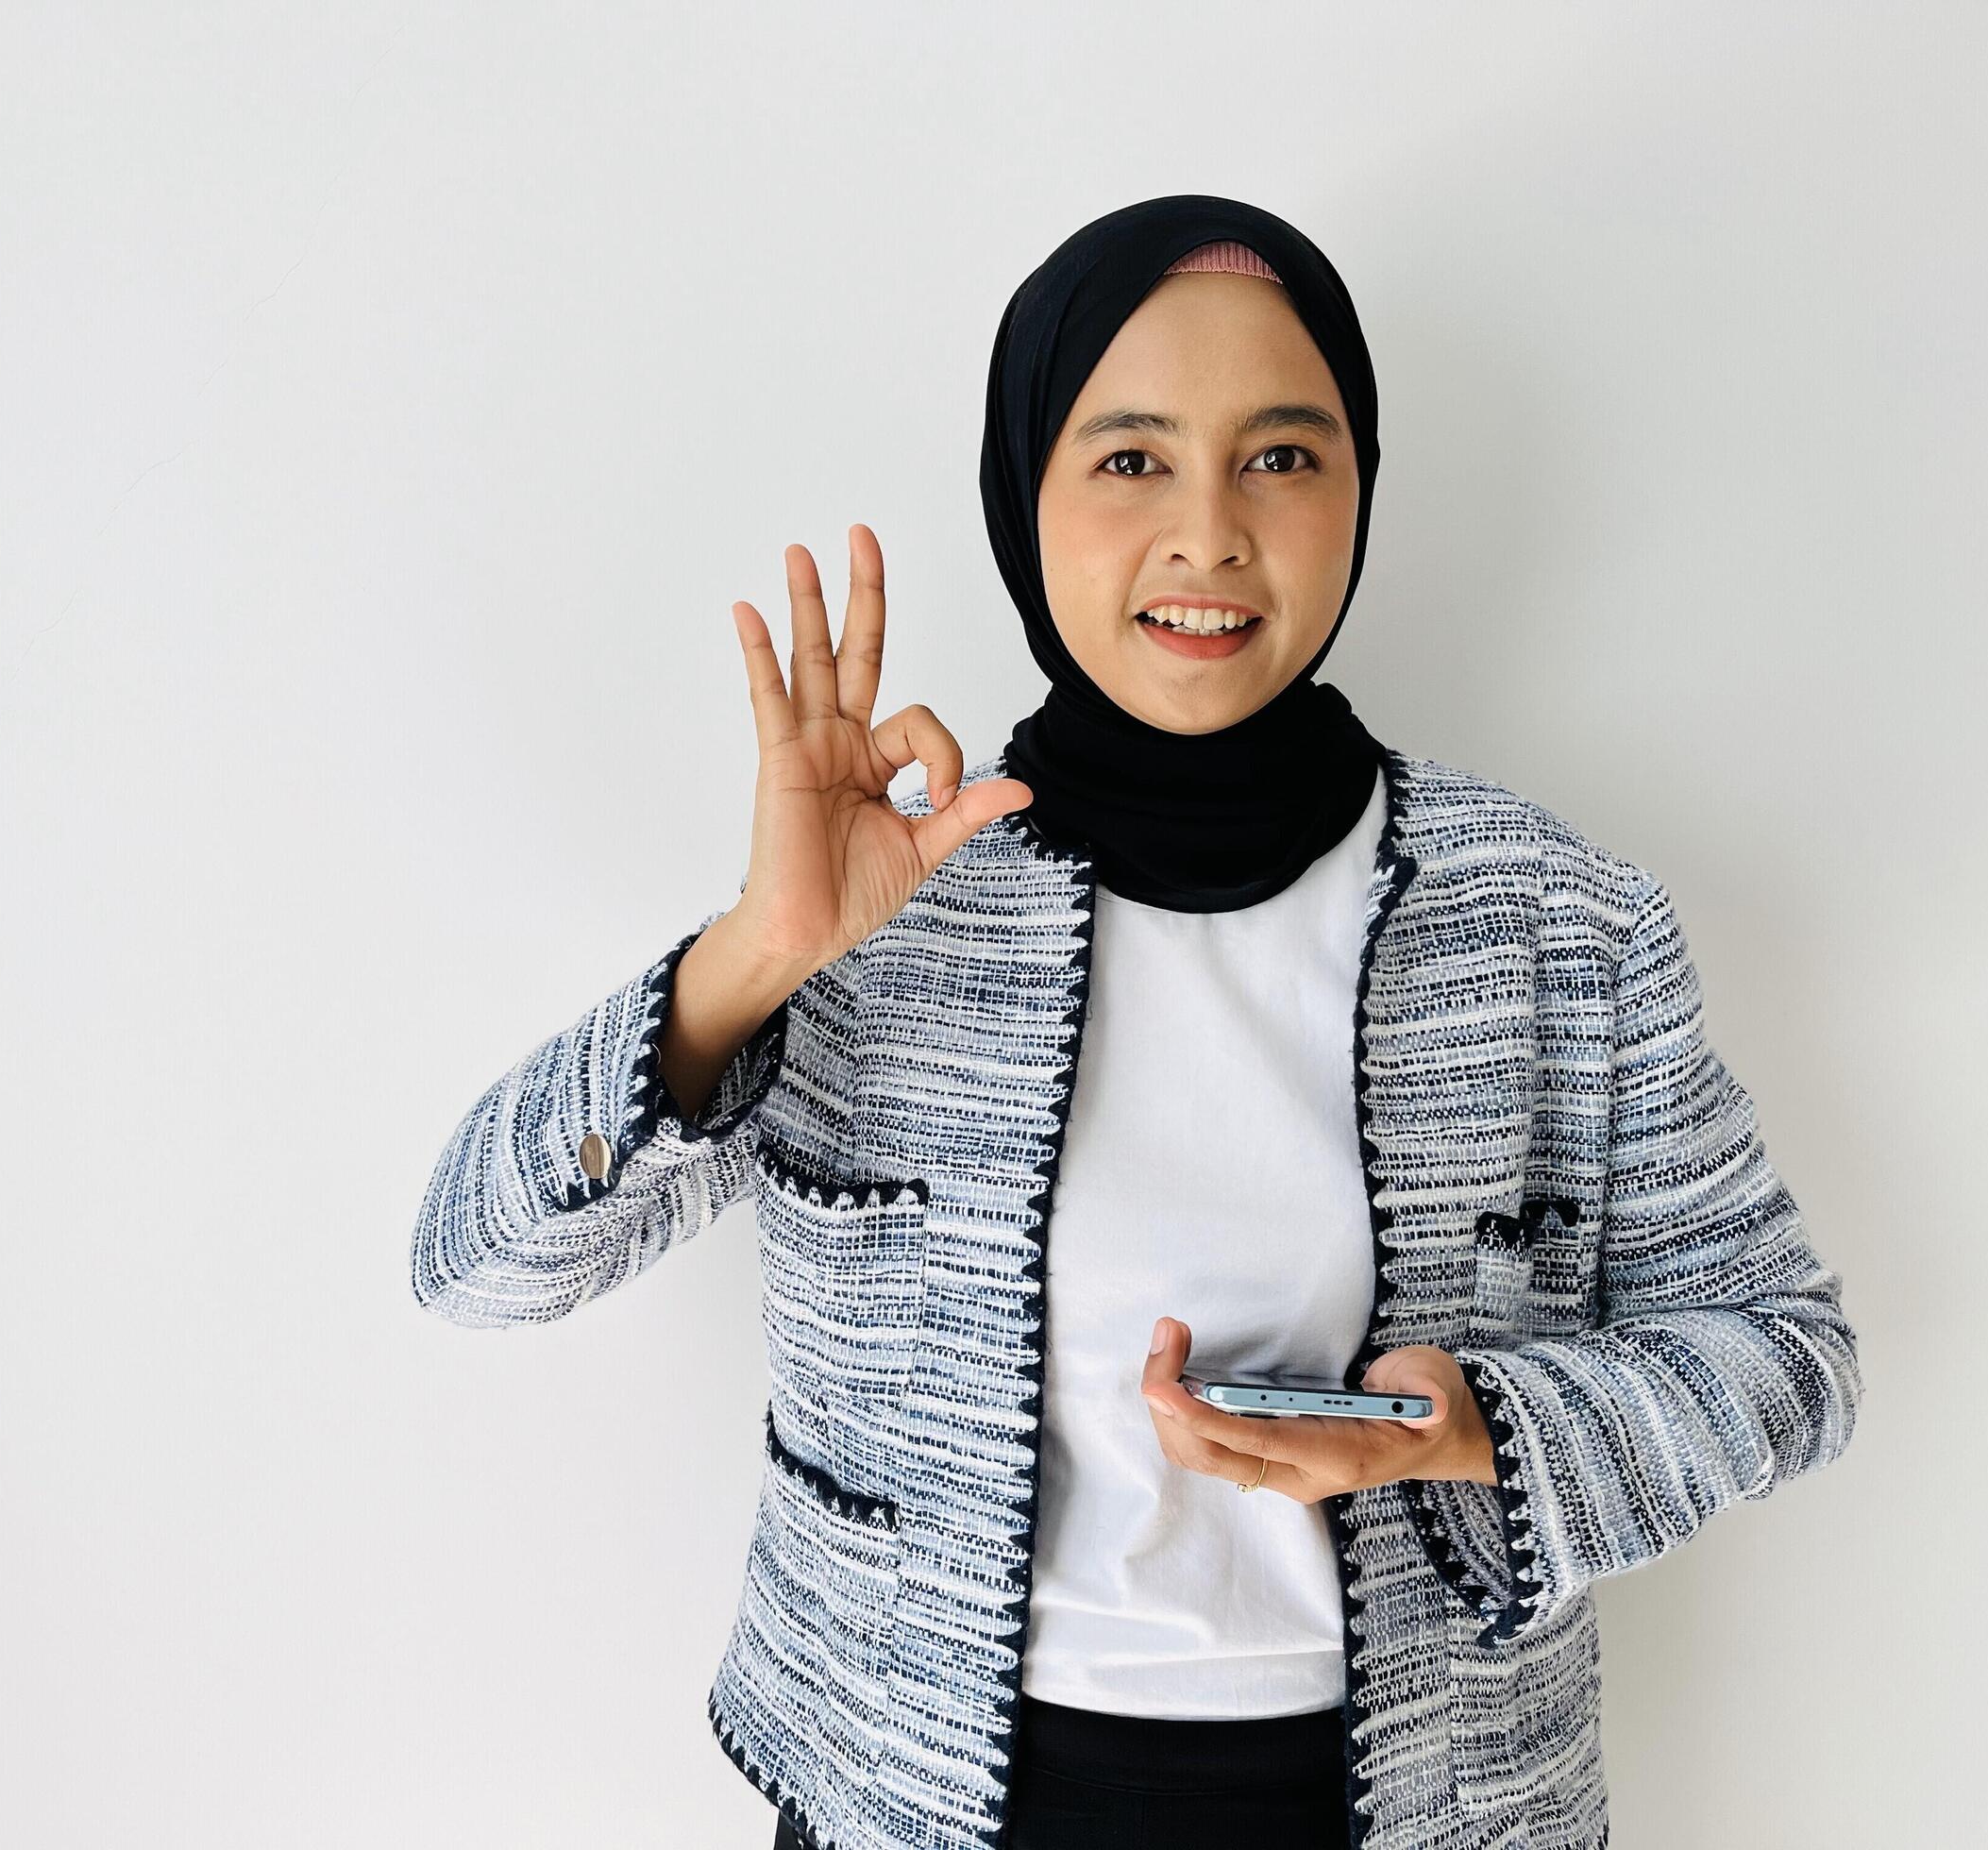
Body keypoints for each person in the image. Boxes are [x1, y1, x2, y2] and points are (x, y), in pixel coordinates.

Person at [411, 193, 1863, 1850]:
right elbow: (476, 1266)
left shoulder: (1555, 921)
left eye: (1281, 455)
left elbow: (1783, 1355)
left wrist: (1477, 1431)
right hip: (921, 1796)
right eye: (1127, 460)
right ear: (1021, 497)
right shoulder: (883, 900)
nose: (1208, 533)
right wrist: (756, 954)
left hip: (1426, 1806)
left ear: (1358, 492)